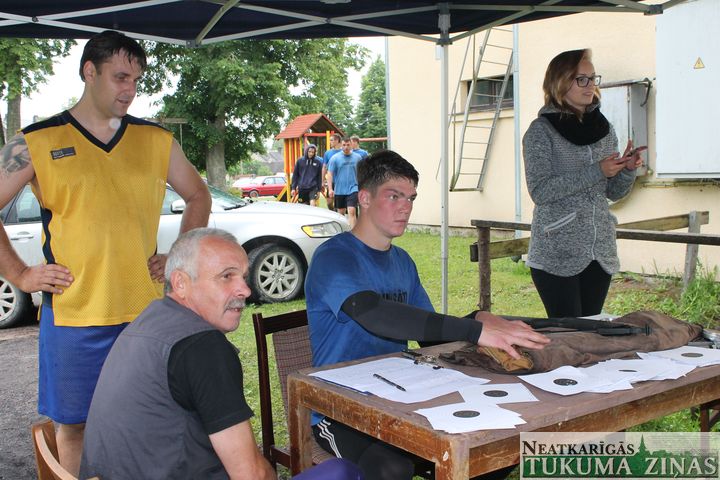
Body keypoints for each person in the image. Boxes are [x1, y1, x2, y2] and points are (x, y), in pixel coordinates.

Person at [0, 30, 212, 475]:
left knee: (150, 420)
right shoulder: (35, 141)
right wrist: (20, 274)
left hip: (144, 315)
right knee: (75, 427)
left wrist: (177, 256)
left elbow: (199, 195)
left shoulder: (155, 139)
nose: (130, 90)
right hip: (75, 314)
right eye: (120, 78)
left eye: (136, 80)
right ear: (89, 72)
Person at [305, 150, 550, 480]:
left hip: (399, 393)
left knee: (491, 450)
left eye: (411, 198)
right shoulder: (334, 257)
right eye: (394, 196)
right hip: (338, 407)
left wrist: (478, 318)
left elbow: (427, 332)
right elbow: (374, 314)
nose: (405, 207)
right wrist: (474, 331)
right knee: (391, 468)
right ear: (364, 198)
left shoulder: (403, 261)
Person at [79, 228, 363, 480]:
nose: (245, 290)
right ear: (180, 283)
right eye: (226, 276)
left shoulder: (149, 321)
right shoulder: (201, 346)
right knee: (343, 472)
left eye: (243, 277)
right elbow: (249, 475)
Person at [522, 49, 645, 318]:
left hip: (600, 254)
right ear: (560, 82)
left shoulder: (604, 129)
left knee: (591, 331)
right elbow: (540, 191)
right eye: (582, 79)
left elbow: (613, 192)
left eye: (593, 78)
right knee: (569, 333)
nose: (590, 85)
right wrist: (597, 170)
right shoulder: (540, 131)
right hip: (556, 253)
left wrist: (627, 170)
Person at [327, 137, 362, 227]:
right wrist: (330, 189)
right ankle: (343, 232)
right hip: (339, 190)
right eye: (344, 145)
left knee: (352, 210)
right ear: (341, 145)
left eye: (348, 145)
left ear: (351, 145)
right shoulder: (335, 158)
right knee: (341, 214)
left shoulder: (358, 158)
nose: (346, 147)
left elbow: (363, 172)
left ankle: (353, 234)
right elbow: (330, 174)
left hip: (353, 188)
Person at [322, 133, 342, 210]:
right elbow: (324, 167)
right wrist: (322, 181)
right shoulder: (327, 153)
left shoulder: (343, 152)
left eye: (331, 140)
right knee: (329, 202)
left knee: (339, 203)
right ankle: (333, 211)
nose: (330, 142)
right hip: (331, 181)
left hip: (341, 182)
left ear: (337, 141)